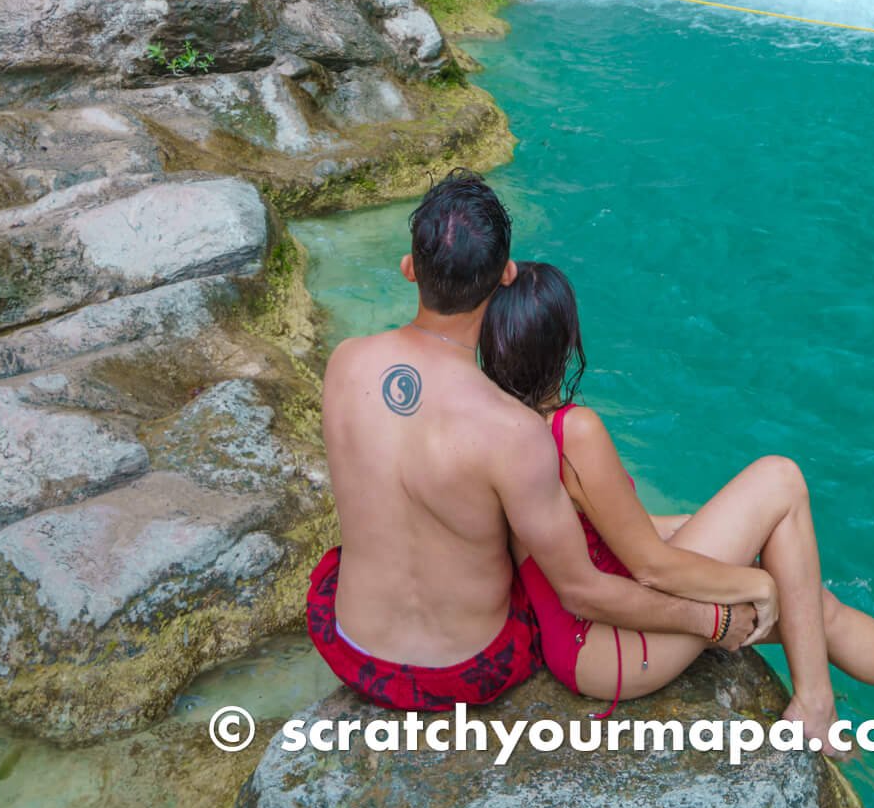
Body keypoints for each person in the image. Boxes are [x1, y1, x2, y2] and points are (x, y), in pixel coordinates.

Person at [481, 261, 874, 754]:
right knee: (781, 482)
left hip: (578, 640)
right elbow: (651, 569)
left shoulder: (501, 426)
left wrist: (689, 526)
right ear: (565, 343)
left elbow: (587, 528)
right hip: (609, 648)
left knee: (813, 609)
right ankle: (815, 709)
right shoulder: (573, 429)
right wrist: (754, 582)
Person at [311, 171, 773, 711]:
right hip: (461, 672)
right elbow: (579, 591)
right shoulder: (513, 432)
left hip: (353, 649)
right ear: (505, 275)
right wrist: (711, 620)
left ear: (409, 268)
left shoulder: (344, 364)